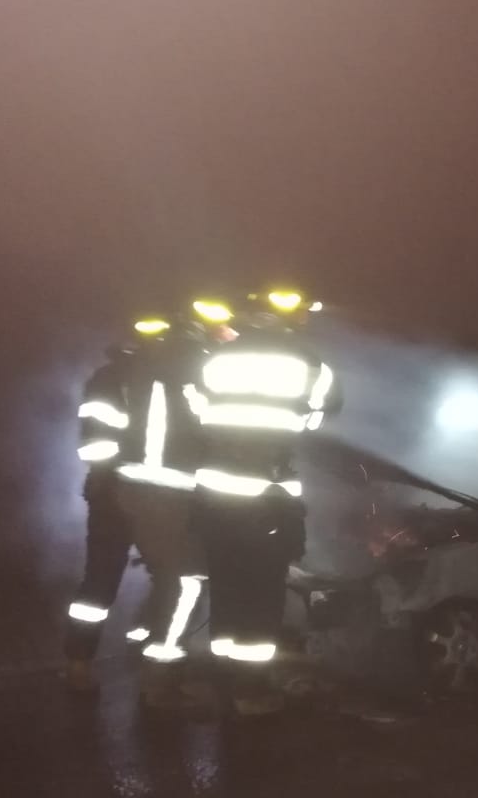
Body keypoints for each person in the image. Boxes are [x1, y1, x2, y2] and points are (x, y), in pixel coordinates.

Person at [187, 289, 339, 715]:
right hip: (267, 502)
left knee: (227, 590)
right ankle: (251, 691)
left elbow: (196, 410)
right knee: (262, 596)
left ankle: (224, 681)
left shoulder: (213, 359)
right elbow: (321, 415)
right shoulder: (309, 363)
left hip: (215, 498)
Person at [110, 310, 221, 705]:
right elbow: (213, 425)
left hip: (131, 487)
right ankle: (160, 671)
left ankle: (143, 632)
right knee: (187, 580)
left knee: (165, 570)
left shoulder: (140, 365)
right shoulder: (200, 368)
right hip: (174, 489)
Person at [63, 316, 169, 692]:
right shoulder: (166, 379)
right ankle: (147, 655)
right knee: (167, 575)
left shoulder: (106, 379)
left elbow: (95, 445)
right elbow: (98, 445)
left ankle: (81, 662)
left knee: (102, 579)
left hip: (115, 493)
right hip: (146, 496)